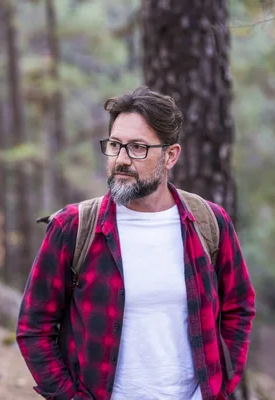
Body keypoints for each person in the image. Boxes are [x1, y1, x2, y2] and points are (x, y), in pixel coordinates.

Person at [16, 86, 256, 400]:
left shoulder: (209, 223)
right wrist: (69, 396)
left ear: (170, 155)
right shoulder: (73, 228)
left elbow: (239, 308)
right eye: (115, 145)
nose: (122, 159)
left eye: (138, 148)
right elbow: (34, 328)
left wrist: (222, 385)